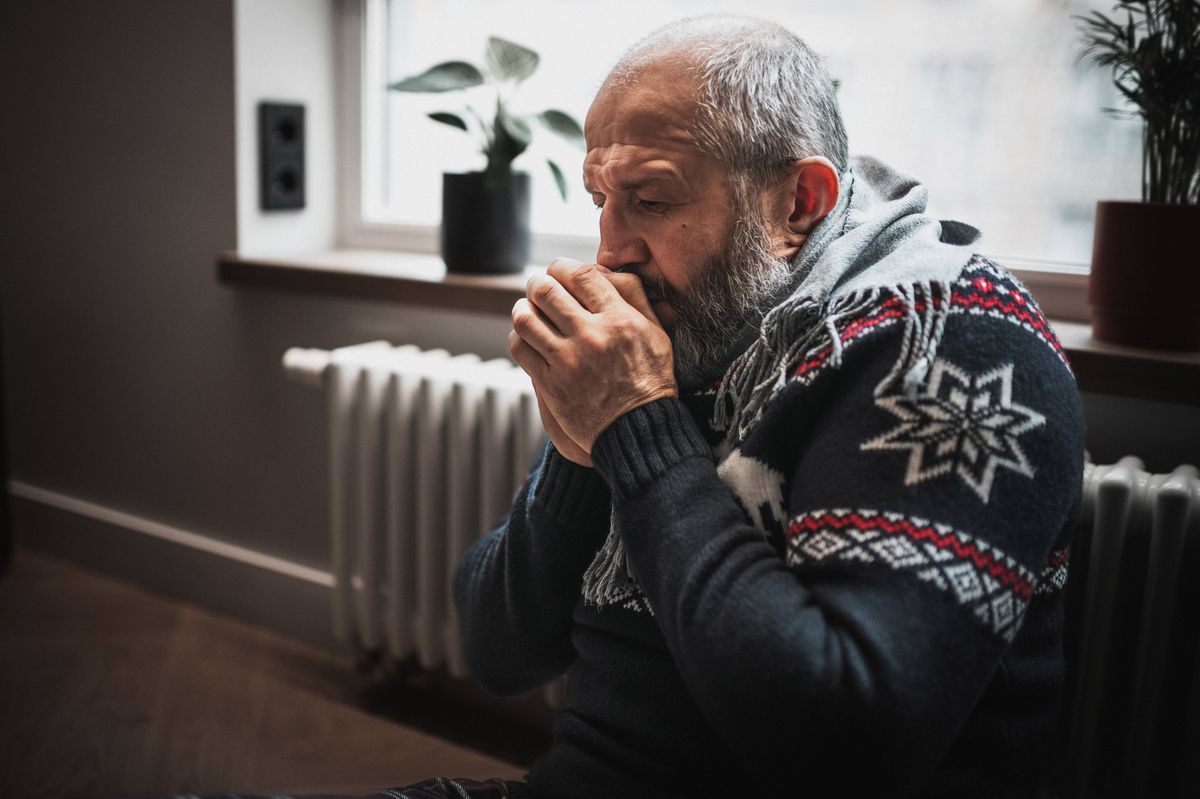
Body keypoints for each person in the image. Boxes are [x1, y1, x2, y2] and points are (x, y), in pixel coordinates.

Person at [196, 13, 1083, 799]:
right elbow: (500, 650)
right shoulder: (694, 321)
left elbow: (843, 745)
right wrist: (580, 446)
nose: (611, 251)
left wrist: (633, 423)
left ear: (797, 204)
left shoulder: (954, 338)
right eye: (601, 201)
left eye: (650, 200)